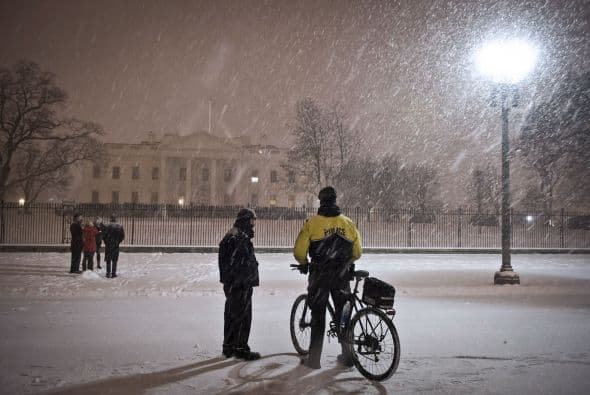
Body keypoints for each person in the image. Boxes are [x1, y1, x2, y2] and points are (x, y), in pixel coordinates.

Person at [293, 186, 362, 369]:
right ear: (335, 200)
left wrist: (303, 262)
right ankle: (348, 356)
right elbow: (357, 252)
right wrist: (345, 262)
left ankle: (314, 359)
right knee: (343, 315)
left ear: (321, 201)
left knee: (318, 315)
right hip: (341, 276)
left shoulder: (312, 223)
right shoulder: (347, 223)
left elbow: (299, 251)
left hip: (320, 275)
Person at [218, 208, 261, 361]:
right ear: (245, 221)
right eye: (251, 221)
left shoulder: (234, 235)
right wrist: (244, 279)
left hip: (234, 283)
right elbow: (239, 263)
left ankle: (229, 346)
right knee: (242, 316)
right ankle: (241, 348)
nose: (253, 225)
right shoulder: (238, 238)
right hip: (240, 284)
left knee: (231, 314)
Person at [103, 213, 125, 278]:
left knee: (108, 259)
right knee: (114, 260)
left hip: (108, 245)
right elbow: (122, 236)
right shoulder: (120, 226)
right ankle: (113, 273)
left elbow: (104, 235)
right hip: (115, 244)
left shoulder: (107, 225)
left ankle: (108, 273)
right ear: (116, 218)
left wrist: (106, 242)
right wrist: (118, 242)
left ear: (110, 218)